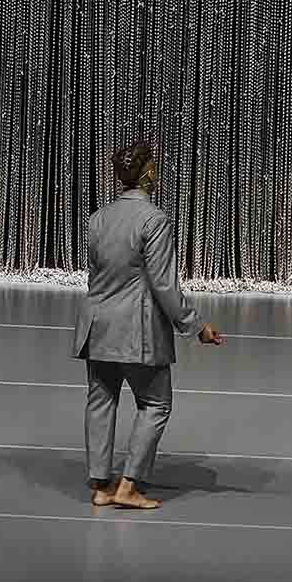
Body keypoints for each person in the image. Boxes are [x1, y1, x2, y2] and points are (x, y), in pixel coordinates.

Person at [75, 142, 222, 512]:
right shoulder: (153, 219)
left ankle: (101, 485)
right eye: (154, 166)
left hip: (97, 325)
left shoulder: (97, 218)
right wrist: (197, 325)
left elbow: (97, 276)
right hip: (135, 330)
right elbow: (163, 284)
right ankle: (129, 485)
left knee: (101, 401)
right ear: (147, 173)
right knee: (155, 403)